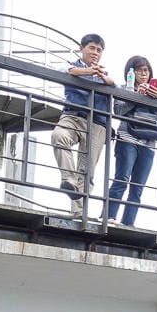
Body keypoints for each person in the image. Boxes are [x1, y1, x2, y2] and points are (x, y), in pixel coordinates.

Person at [51, 33, 115, 218]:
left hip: (97, 122)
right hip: (73, 115)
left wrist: (103, 77)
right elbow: (64, 70)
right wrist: (89, 72)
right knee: (59, 136)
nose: (95, 53)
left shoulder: (105, 74)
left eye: (99, 50)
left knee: (87, 171)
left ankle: (79, 212)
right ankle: (68, 179)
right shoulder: (71, 66)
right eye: (92, 48)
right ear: (82, 48)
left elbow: (116, 85)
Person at [107, 55, 157, 226]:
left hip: (149, 143)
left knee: (138, 187)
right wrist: (136, 97)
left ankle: (128, 223)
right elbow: (118, 111)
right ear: (131, 72)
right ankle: (109, 216)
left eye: (146, 70)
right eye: (139, 70)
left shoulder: (155, 93)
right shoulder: (124, 89)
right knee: (121, 179)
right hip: (127, 138)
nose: (143, 74)